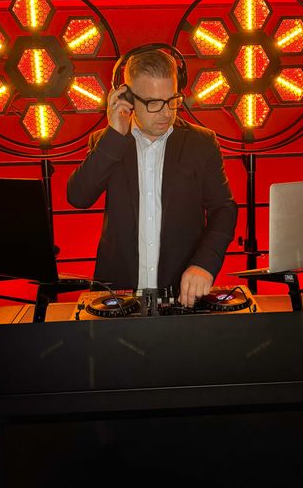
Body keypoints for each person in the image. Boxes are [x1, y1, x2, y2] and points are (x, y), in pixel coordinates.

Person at [67, 48, 237, 308]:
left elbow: (224, 209)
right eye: (153, 103)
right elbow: (78, 197)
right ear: (127, 98)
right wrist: (115, 135)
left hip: (182, 296)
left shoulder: (201, 143)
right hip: (117, 297)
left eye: (172, 100)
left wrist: (204, 264)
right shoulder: (107, 142)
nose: (166, 112)